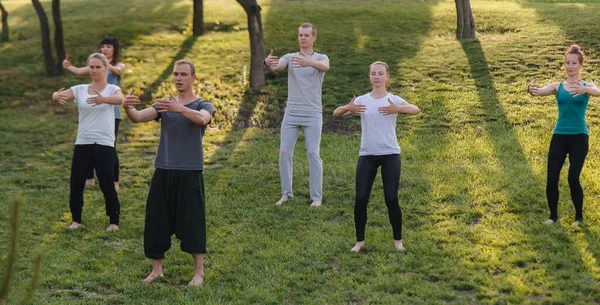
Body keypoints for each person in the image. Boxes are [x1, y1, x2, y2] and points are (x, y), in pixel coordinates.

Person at [121, 59, 214, 286]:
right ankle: (156, 271)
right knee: (156, 220)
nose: (178, 78)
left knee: (192, 222)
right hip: (163, 170)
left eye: (183, 74)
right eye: (175, 74)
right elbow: (138, 117)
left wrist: (180, 108)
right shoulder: (163, 105)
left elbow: (203, 119)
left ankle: (198, 273)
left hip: (190, 172)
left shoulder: (203, 104)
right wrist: (127, 106)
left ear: (193, 78)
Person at [333, 61, 420, 253]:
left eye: (381, 73)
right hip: (367, 155)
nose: (377, 76)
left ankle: (398, 241)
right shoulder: (363, 100)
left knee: (391, 198)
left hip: (390, 154)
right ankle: (359, 242)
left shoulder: (394, 100)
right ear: (370, 76)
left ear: (387, 77)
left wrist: (398, 109)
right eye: (374, 73)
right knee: (361, 199)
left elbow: (415, 109)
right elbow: (336, 113)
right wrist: (348, 107)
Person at [528, 44, 600, 226]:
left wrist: (586, 90)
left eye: (574, 63)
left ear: (580, 65)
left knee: (573, 178)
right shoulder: (557, 86)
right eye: (567, 63)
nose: (570, 66)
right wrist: (532, 89)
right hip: (559, 136)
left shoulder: (587, 86)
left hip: (579, 137)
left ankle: (579, 217)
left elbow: (598, 92)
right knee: (552, 177)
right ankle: (553, 216)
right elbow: (540, 92)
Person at [51, 53, 124, 232]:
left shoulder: (112, 89)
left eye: (98, 67)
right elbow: (60, 95)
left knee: (106, 182)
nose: (94, 70)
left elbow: (120, 99)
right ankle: (76, 220)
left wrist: (104, 99)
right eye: (91, 67)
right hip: (83, 142)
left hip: (104, 143)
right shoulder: (80, 89)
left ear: (106, 68)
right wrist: (55, 95)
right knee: (76, 182)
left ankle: (114, 221)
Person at [264, 23, 330, 207]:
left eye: (307, 35)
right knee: (284, 152)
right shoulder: (290, 57)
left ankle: (316, 197)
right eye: (300, 35)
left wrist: (310, 62)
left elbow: (325, 67)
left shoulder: (321, 58)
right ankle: (286, 194)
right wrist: (267, 63)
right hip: (292, 113)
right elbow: (277, 67)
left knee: (312, 152)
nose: (303, 38)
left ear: (314, 38)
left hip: (313, 114)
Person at [63, 36, 126, 190]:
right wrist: (68, 66)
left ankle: (114, 181)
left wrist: (105, 64)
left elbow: (118, 71)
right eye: (103, 46)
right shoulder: (96, 66)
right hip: (92, 108)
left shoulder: (118, 65)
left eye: (108, 47)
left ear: (114, 49)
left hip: (111, 110)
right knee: (87, 142)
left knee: (111, 147)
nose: (105, 49)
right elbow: (78, 71)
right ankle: (89, 178)